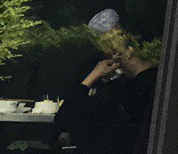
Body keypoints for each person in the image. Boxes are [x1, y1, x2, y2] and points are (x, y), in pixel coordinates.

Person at [53, 9, 158, 154]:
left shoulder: (134, 88)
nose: (109, 53)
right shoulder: (102, 74)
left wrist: (92, 78)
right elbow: (66, 119)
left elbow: (66, 118)